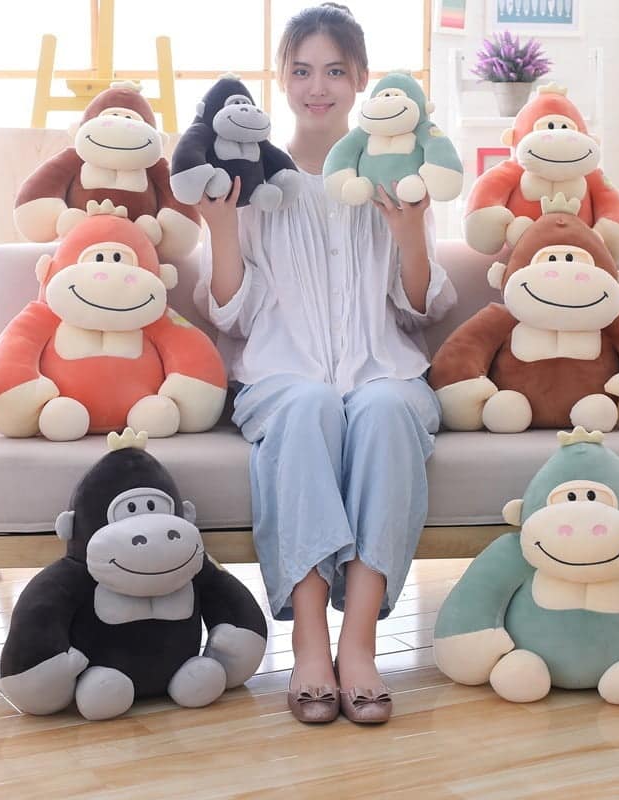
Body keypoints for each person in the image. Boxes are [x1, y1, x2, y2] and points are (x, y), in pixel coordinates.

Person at [194, 2, 456, 724]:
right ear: (281, 78)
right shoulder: (250, 181)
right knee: (309, 404)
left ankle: (360, 644)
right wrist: (222, 228)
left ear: (362, 79)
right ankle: (310, 643)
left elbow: (420, 309)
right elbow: (230, 313)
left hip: (383, 369)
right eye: (302, 70)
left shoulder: (394, 178)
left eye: (335, 71)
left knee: (387, 408)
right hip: (281, 378)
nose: (318, 87)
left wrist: (408, 233)